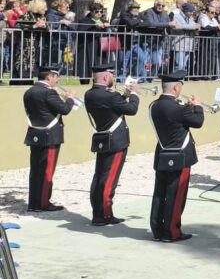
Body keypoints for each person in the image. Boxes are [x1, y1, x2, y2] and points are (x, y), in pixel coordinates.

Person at [148, 71, 204, 242]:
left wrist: (186, 107)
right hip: (180, 155)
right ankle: (171, 231)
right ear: (176, 87)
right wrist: (198, 106)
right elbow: (198, 121)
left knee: (160, 193)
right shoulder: (179, 109)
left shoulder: (154, 106)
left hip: (163, 152)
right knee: (176, 194)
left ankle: (157, 229)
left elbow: (176, 117)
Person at [85, 63, 138, 225]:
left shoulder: (90, 94)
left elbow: (113, 106)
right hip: (116, 141)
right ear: (105, 77)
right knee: (109, 179)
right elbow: (131, 110)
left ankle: (97, 212)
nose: (113, 78)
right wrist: (134, 94)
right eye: (112, 75)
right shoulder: (110, 96)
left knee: (99, 176)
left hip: (103, 137)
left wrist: (125, 94)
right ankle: (105, 215)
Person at [23, 65, 75, 211]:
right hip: (50, 136)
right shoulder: (49, 93)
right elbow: (65, 110)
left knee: (35, 170)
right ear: (49, 77)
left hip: (35, 134)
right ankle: (43, 203)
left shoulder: (29, 92)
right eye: (56, 76)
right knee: (47, 170)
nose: (57, 80)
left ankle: (34, 203)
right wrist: (70, 99)